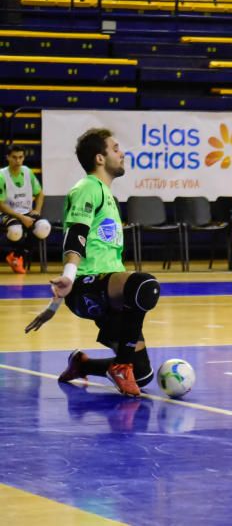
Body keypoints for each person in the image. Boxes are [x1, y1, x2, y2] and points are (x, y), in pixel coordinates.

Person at [24, 128, 161, 397]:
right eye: (116, 148)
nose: (122, 153)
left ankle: (82, 364)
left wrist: (53, 306)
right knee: (145, 285)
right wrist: (68, 276)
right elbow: (75, 234)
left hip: (110, 294)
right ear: (100, 158)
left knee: (143, 375)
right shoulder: (87, 187)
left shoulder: (108, 194)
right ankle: (121, 365)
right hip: (88, 286)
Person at [1, 145, 50, 274]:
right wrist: (22, 217)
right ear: (8, 157)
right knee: (15, 231)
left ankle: (16, 256)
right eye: (14, 157)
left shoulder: (27, 172)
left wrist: (37, 211)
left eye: (20, 157)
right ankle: (18, 256)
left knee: (44, 227)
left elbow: (40, 194)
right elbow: (1, 204)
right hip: (6, 212)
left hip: (26, 211)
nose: (18, 160)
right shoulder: (1, 175)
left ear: (23, 158)